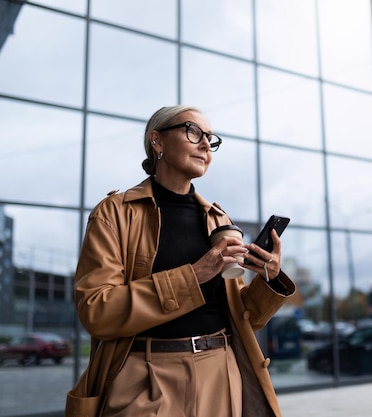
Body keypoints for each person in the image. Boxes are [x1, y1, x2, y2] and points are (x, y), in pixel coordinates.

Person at [65, 105, 295, 417]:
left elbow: (245, 319)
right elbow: (97, 311)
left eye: (210, 139)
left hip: (220, 373)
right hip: (144, 377)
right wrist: (196, 274)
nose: (205, 145)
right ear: (156, 141)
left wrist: (270, 278)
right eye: (193, 132)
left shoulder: (218, 219)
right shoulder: (115, 213)